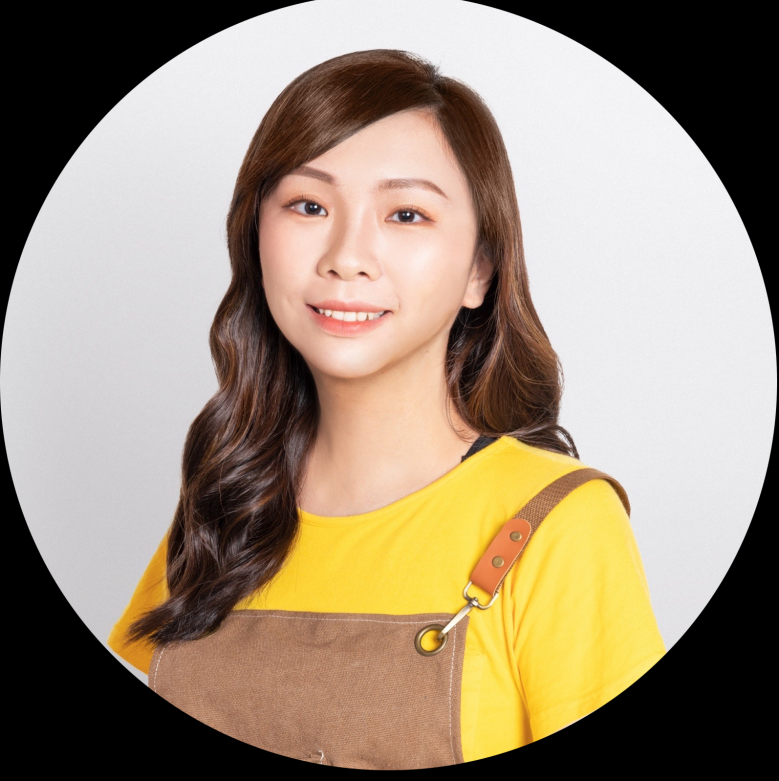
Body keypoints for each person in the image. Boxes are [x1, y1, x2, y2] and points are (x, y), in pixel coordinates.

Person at [108, 49, 665, 768]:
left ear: (479, 271)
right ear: (254, 236)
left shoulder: (558, 524)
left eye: (406, 214)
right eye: (309, 206)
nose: (347, 256)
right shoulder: (226, 503)